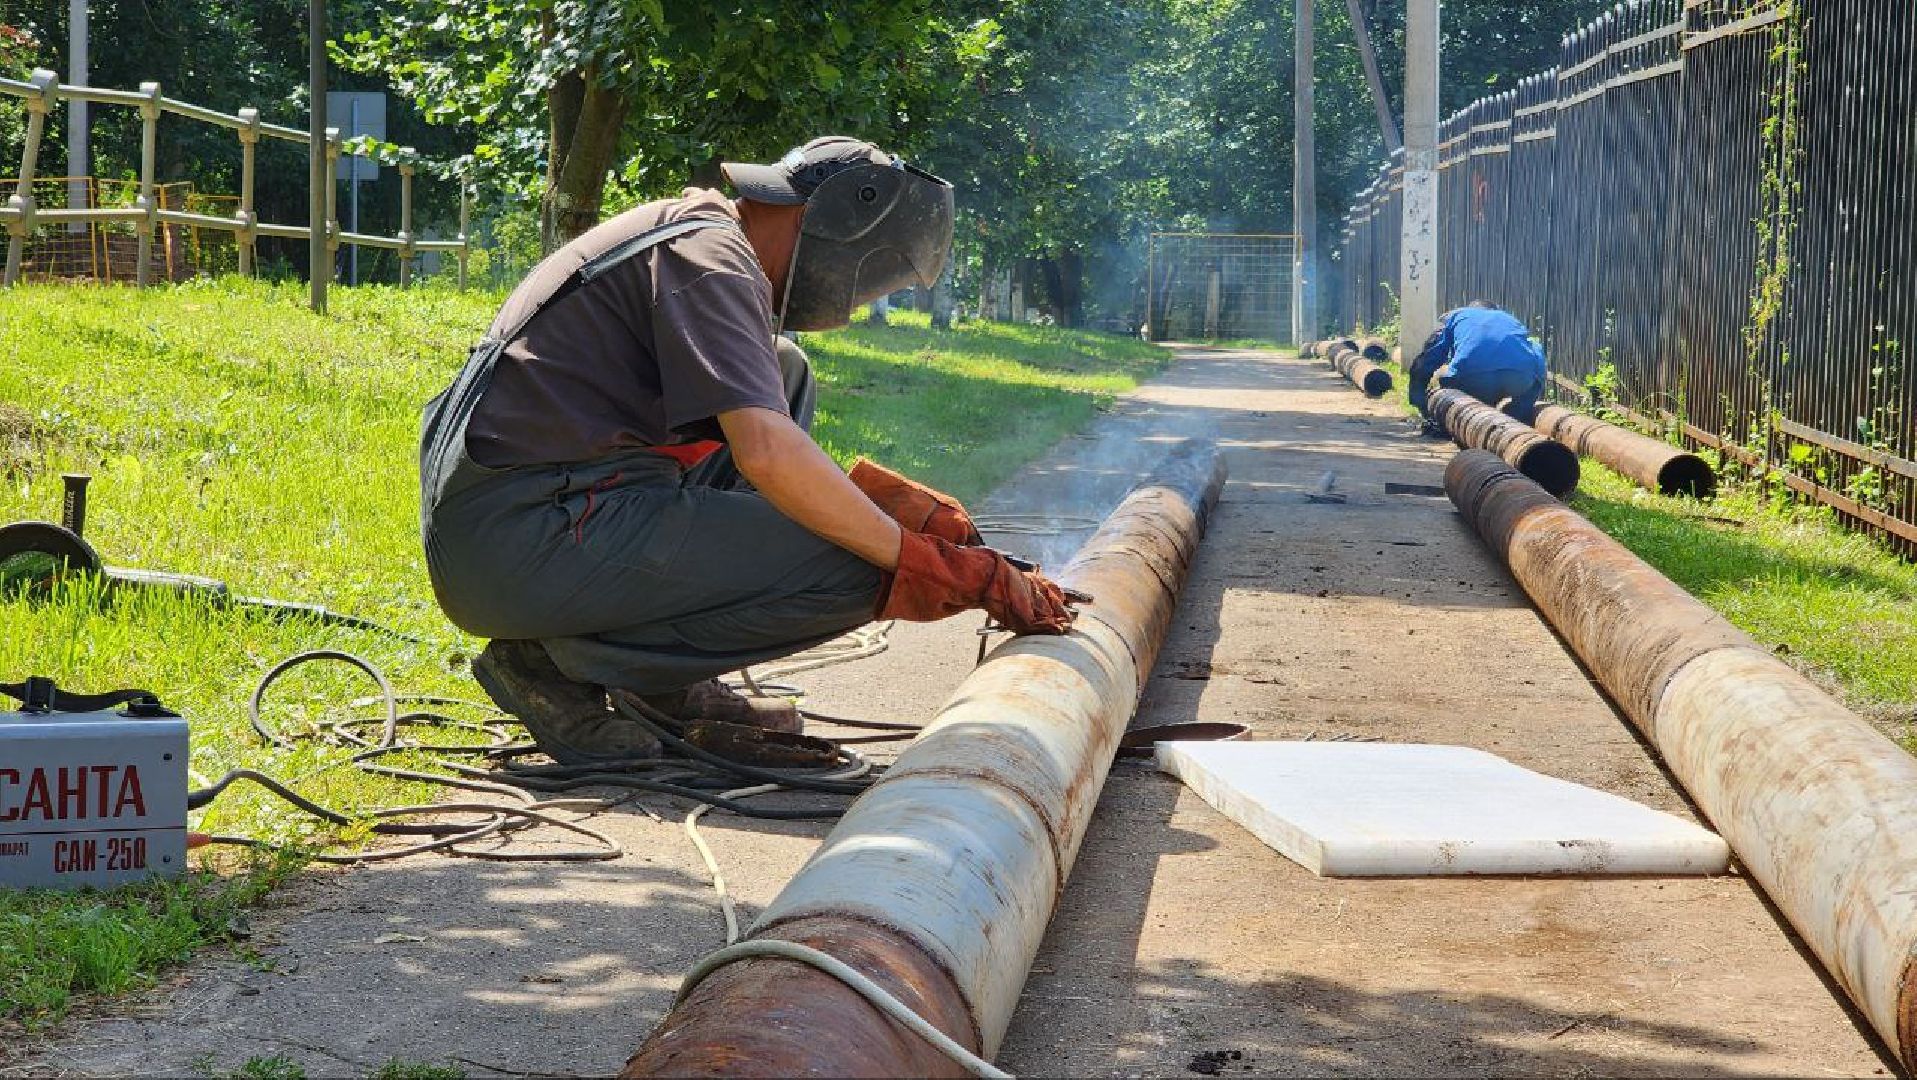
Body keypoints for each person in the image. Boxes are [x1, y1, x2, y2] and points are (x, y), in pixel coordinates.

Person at [417, 137, 1078, 764]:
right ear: (839, 229)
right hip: (519, 537)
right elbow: (766, 455)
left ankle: (659, 684)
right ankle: (549, 662)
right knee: (860, 568)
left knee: (780, 372)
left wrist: (892, 517)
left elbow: (766, 435)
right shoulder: (711, 258)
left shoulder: (695, 232)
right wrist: (922, 559)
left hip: (525, 517)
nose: (855, 300)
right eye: (872, 278)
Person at [1408, 300, 1548, 433]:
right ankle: (1518, 415)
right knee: (1535, 351)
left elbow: (1432, 356)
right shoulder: (1509, 319)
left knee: (1450, 379)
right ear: (1494, 310)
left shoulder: (1458, 316)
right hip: (1519, 378)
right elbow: (1537, 357)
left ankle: (1455, 424)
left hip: (1470, 379)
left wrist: (1418, 395)